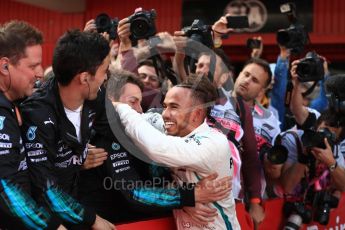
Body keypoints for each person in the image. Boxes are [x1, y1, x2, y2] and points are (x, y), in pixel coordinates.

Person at [79, 69, 232, 223]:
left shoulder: (208, 141)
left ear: (196, 114)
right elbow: (136, 194)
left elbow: (160, 173)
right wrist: (188, 197)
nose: (139, 109)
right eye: (133, 102)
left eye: (140, 102)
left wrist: (182, 201)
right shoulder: (106, 138)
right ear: (112, 102)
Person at [112, 74, 240, 229]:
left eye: (174, 107)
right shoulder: (170, 128)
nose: (165, 114)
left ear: (196, 114)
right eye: (165, 106)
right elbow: (141, 120)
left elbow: (157, 147)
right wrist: (186, 200)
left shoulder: (213, 143)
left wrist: (121, 106)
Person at [20, 30, 114, 229]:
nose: (105, 78)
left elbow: (119, 133)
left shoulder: (96, 97)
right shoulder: (36, 113)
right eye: (104, 70)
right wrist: (92, 219)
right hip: (40, 218)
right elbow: (44, 188)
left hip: (74, 202)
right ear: (84, 78)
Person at [0, 20, 63, 229]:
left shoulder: (14, 103)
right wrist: (53, 227)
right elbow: (6, 189)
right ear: (5, 66)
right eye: (33, 65)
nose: (39, 73)